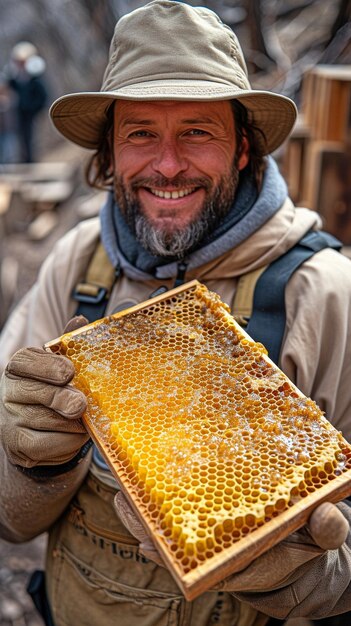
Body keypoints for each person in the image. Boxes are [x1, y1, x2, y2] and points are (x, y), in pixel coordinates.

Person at [0, 2, 351, 625]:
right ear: (110, 151)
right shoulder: (76, 265)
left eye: (197, 131)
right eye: (140, 133)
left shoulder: (324, 293)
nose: (166, 165)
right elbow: (10, 519)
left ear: (243, 147)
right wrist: (32, 465)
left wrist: (323, 580)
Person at [7, 41, 48, 162]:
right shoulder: (16, 78)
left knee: (32, 138)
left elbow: (43, 96)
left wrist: (34, 107)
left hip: (32, 112)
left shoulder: (36, 79)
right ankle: (23, 160)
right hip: (20, 112)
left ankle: (32, 160)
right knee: (21, 137)